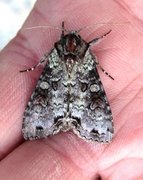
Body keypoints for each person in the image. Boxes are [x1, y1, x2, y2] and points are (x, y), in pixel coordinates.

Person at [0, 0, 143, 179]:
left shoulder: (71, 51)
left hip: (54, 84)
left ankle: (42, 124)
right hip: (86, 89)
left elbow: (49, 59)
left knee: (44, 91)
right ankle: (87, 127)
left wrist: (34, 67)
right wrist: (103, 71)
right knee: (93, 93)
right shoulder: (83, 52)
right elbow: (88, 52)